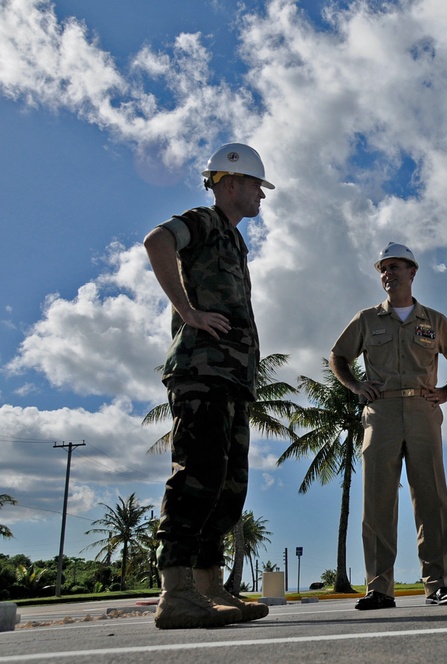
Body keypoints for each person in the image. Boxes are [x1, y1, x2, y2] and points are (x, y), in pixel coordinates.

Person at [144, 143, 274, 628]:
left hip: (232, 379)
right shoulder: (201, 219)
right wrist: (188, 312)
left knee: (227, 485)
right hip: (201, 372)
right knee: (196, 476)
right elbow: (157, 241)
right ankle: (175, 593)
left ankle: (209, 589)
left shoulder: (234, 240)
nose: (262, 194)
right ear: (232, 182)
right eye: (258, 185)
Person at [331, 241, 447, 610]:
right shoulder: (366, 319)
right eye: (383, 268)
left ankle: (438, 583)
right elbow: (339, 356)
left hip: (424, 410)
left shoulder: (434, 320)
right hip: (381, 413)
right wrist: (355, 386)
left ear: (413, 272)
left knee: (432, 499)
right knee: (377, 500)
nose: (388, 273)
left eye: (396, 266)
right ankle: (379, 587)